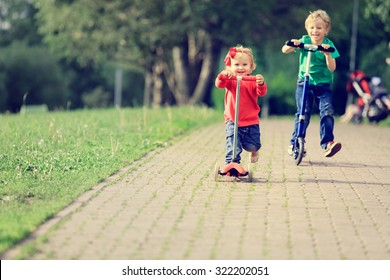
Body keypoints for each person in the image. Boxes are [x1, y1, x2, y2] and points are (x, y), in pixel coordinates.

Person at [281, 9, 342, 157]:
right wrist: (293, 45)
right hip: (304, 83)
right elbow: (284, 50)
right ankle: (295, 142)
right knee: (303, 112)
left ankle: (328, 143)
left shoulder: (328, 45)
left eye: (319, 28)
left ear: (326, 30)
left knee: (327, 111)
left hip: (323, 85)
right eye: (312, 28)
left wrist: (327, 54)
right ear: (307, 29)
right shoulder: (304, 41)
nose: (315, 31)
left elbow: (332, 68)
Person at [215, 45, 267, 165]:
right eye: (236, 65)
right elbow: (219, 84)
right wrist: (222, 75)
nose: (240, 68)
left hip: (251, 120)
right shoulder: (230, 80)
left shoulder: (253, 81)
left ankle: (254, 151)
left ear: (251, 66)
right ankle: (232, 163)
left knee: (253, 145)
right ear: (230, 67)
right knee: (233, 144)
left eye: (244, 65)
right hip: (232, 119)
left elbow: (262, 92)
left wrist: (261, 83)